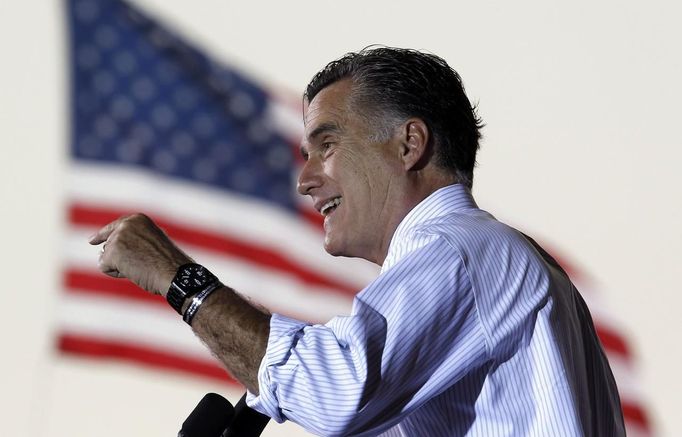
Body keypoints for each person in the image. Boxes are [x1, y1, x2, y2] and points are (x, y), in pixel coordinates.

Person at [90, 47, 626, 436]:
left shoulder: (458, 252)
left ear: (409, 144)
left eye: (327, 146)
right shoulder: (484, 259)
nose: (305, 181)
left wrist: (176, 277)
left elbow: (335, 392)